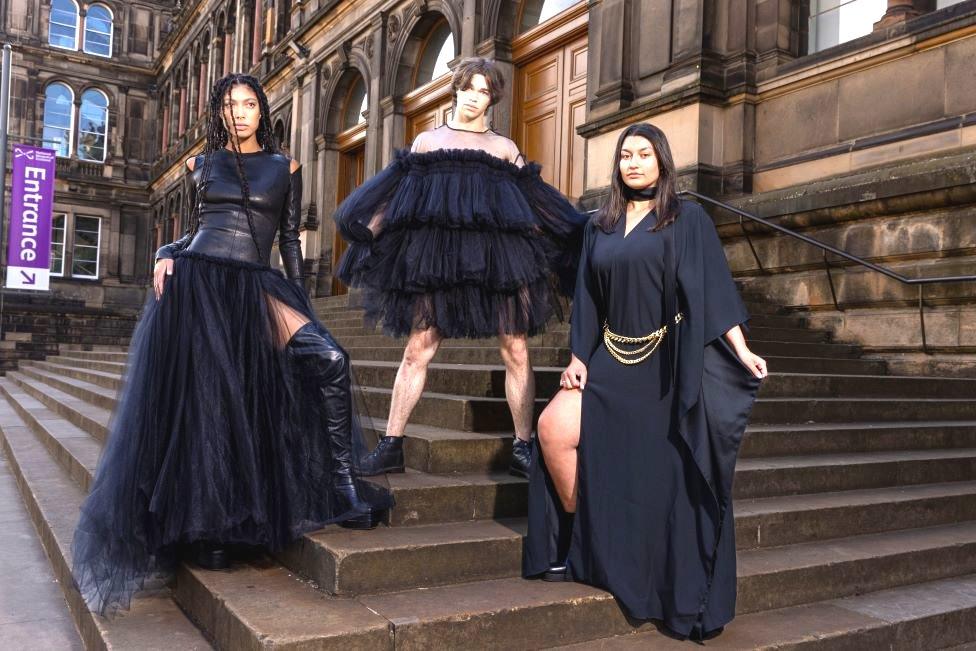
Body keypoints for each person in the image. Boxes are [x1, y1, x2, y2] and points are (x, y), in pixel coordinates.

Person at [71, 73, 392, 616]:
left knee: (331, 359)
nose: (239, 112)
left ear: (261, 111)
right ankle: (209, 527)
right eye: (229, 105)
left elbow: (288, 239)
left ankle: (342, 485)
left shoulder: (285, 166)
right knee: (210, 405)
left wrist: (299, 299)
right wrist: (162, 254)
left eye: (248, 104)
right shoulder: (202, 165)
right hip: (199, 283)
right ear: (219, 113)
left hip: (255, 285)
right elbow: (199, 228)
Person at [522, 122, 767, 640]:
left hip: (666, 361)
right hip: (609, 356)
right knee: (554, 429)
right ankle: (586, 539)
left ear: (661, 161)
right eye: (625, 155)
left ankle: (652, 576)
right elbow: (588, 297)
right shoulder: (599, 224)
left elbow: (712, 290)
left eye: (643, 154)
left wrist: (742, 350)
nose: (632, 162)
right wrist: (577, 357)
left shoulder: (687, 218)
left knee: (661, 475)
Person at [333, 58, 586, 478]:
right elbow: (398, 199)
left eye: (484, 91)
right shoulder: (428, 143)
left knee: (517, 350)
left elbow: (534, 199)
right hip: (440, 263)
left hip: (497, 263)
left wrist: (575, 228)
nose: (474, 97)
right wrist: (367, 230)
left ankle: (523, 446)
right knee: (418, 349)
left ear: (492, 98)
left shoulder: (504, 149)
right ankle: (392, 444)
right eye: (469, 88)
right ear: (456, 89)